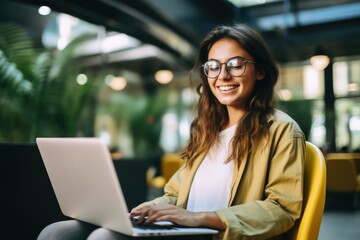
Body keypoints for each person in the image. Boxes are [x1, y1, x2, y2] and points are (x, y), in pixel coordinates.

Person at [38, 23, 305, 240]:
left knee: (104, 238)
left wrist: (203, 217)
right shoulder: (207, 131)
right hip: (184, 230)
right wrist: (151, 208)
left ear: (259, 71)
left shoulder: (281, 130)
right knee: (57, 232)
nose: (222, 75)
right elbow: (176, 194)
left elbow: (282, 209)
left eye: (235, 64)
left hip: (215, 234)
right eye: (213, 66)